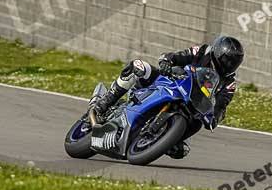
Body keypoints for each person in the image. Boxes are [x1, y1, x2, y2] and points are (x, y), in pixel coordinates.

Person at [89, 36, 244, 159]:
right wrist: (167, 61)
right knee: (138, 66)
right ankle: (106, 101)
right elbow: (179, 56)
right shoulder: (203, 51)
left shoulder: (229, 84)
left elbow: (222, 105)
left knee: (195, 125)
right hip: (171, 81)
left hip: (192, 105)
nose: (228, 64)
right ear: (217, 53)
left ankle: (168, 140)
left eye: (233, 62)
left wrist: (214, 118)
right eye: (226, 59)